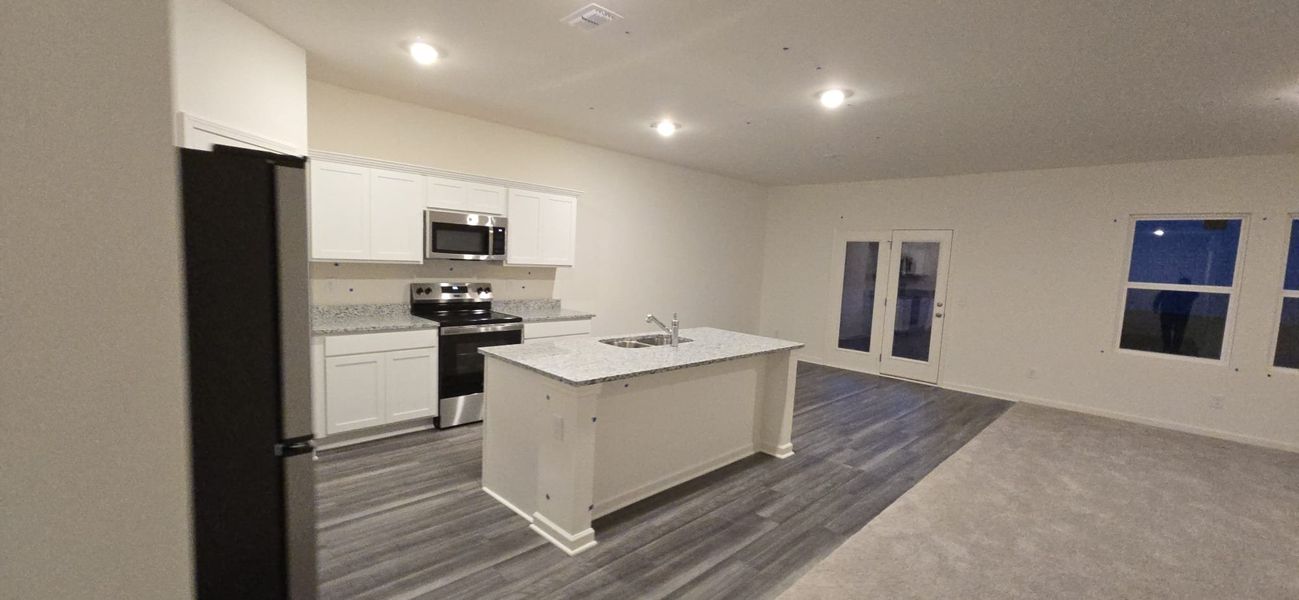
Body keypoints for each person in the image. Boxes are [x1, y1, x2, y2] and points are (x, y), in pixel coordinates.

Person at [1153, 278, 1198, 354]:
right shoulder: (1170, 290)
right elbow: (1159, 298)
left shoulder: (1190, 293)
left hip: (1182, 315)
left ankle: (1175, 350)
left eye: (1185, 284)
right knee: (1166, 331)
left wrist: (1186, 292)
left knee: (1179, 333)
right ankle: (1167, 348)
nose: (1183, 285)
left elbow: (1195, 295)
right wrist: (1155, 307)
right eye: (1182, 284)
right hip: (1167, 313)